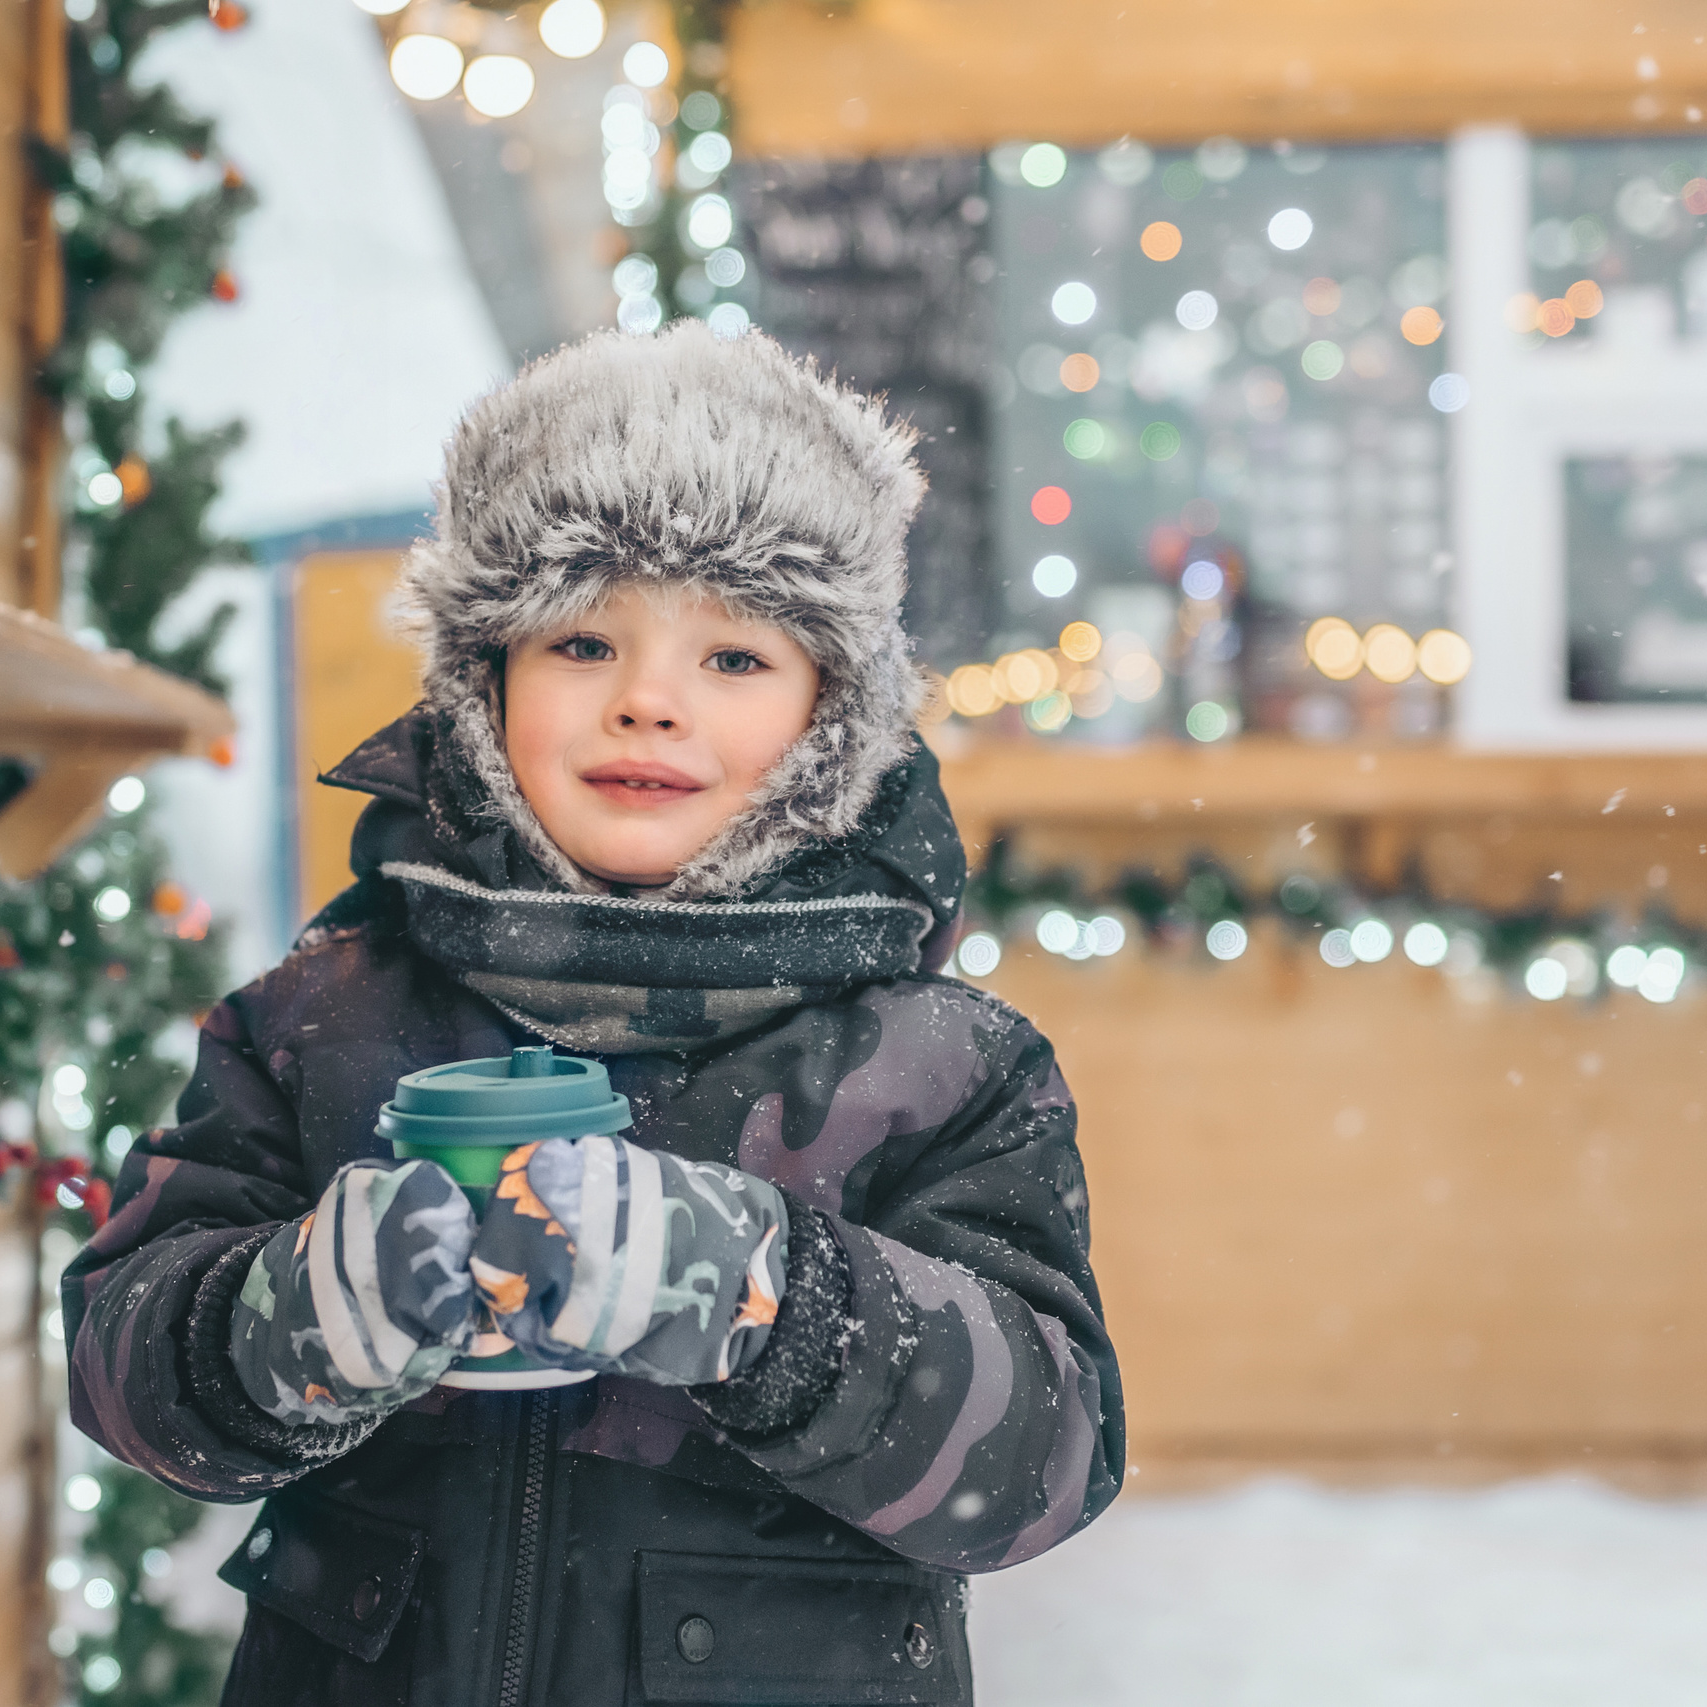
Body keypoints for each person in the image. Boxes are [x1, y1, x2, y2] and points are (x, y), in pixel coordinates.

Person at [63, 324, 1122, 1706]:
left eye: (734, 658)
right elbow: (122, 1362)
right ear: (482, 682)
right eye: (582, 638)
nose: (647, 702)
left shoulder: (941, 1070)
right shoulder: (318, 1021)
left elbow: (1043, 1457)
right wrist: (298, 1319)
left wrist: (763, 1299)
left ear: (831, 715)